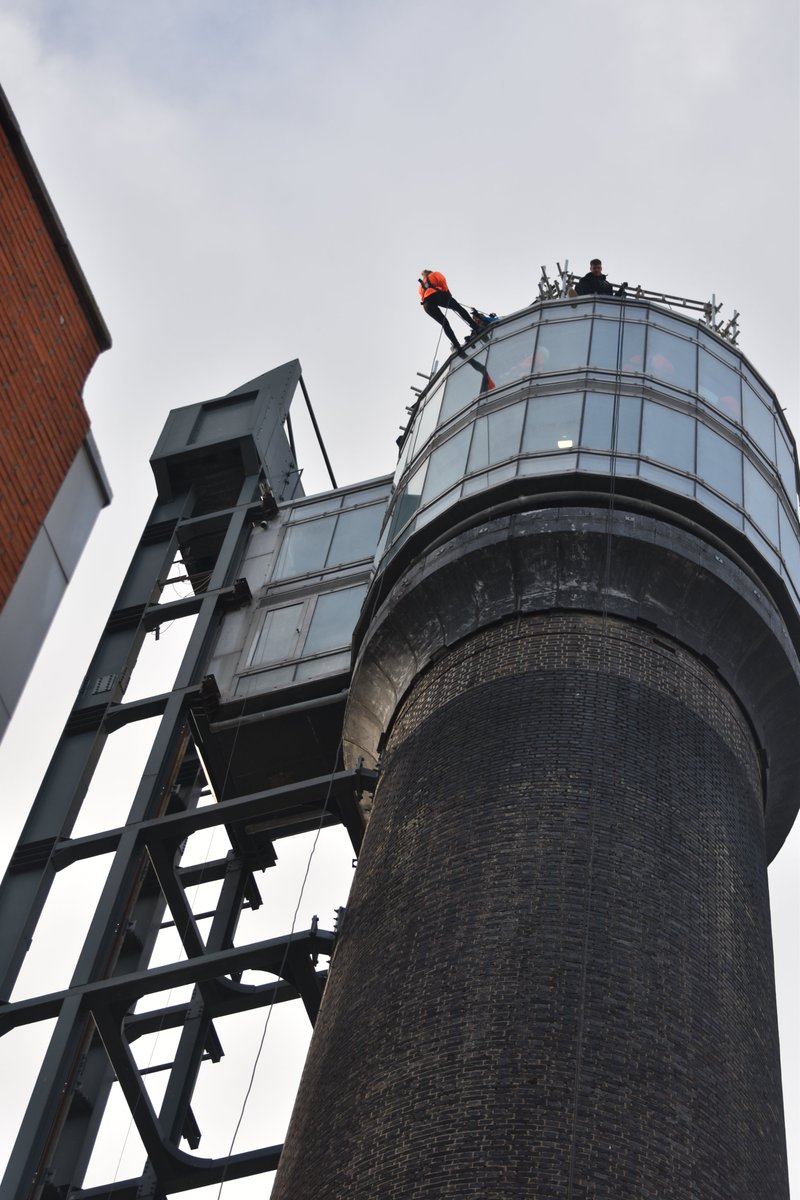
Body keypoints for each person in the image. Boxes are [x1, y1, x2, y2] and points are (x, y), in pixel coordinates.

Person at [418, 269, 481, 350]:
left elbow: (423, 296)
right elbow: (442, 281)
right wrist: (448, 294)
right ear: (430, 272)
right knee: (458, 308)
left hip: (427, 305)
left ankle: (456, 345)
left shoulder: (421, 286)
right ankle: (476, 327)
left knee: (444, 324)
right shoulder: (434, 274)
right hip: (438, 295)